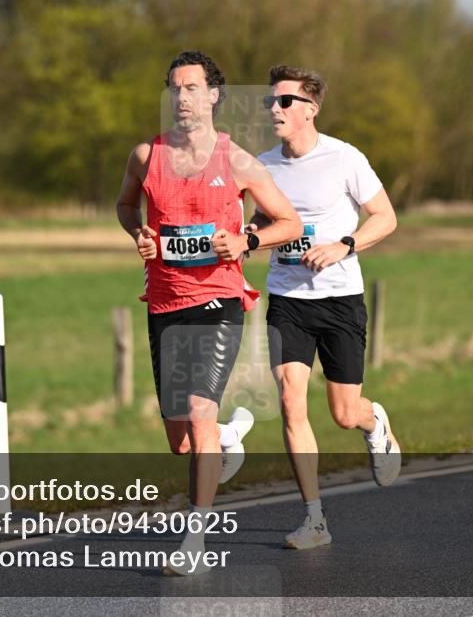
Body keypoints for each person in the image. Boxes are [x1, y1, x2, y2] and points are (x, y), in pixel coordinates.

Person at [115, 51, 302, 574]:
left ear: (214, 95)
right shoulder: (145, 157)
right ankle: (222, 438)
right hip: (164, 300)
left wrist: (245, 239)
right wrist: (139, 233)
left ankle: (193, 543)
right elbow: (127, 205)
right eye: (175, 88)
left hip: (218, 299)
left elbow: (289, 223)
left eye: (193, 88)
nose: (182, 98)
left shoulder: (238, 161)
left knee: (199, 412)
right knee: (182, 441)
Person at [248, 64, 400, 550]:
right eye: (272, 101)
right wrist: (248, 238)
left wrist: (345, 245)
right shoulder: (262, 165)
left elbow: (386, 217)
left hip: (339, 300)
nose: (274, 108)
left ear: (310, 109)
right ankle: (314, 519)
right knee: (291, 398)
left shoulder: (344, 158)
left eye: (285, 101)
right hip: (288, 299)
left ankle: (374, 421)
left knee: (342, 412)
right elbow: (256, 224)